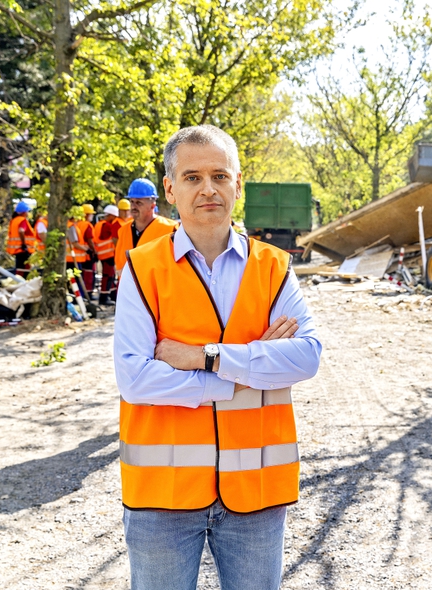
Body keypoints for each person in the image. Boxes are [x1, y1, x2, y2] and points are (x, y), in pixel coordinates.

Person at [113, 125, 322, 590]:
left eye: (219, 176)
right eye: (191, 177)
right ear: (169, 189)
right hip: (161, 497)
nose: (208, 189)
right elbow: (135, 378)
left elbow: (306, 357)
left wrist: (203, 357)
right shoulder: (142, 269)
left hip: (256, 493)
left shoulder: (274, 267)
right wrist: (248, 372)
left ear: (238, 184)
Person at [113, 179, 179, 272]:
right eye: (132, 202)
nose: (133, 207)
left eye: (139, 203)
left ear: (152, 205)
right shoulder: (123, 230)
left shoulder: (170, 229)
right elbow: (119, 265)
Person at [94, 204, 121, 305]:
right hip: (107, 254)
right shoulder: (107, 226)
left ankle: (113, 295)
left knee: (111, 275)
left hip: (104, 254)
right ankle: (104, 298)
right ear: (111, 215)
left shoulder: (100, 224)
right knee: (107, 277)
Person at [6, 201, 36, 277]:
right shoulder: (22, 220)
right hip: (23, 249)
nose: (27, 213)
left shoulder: (14, 221)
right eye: (27, 212)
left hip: (17, 249)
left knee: (19, 269)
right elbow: (21, 231)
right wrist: (23, 244)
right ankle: (23, 285)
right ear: (23, 212)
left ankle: (19, 283)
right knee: (25, 270)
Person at [79, 204, 99, 297]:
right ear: (86, 214)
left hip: (81, 254)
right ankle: (88, 293)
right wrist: (94, 251)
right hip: (88, 253)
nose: (92, 216)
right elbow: (89, 239)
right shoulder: (87, 225)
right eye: (90, 214)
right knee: (89, 274)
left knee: (83, 274)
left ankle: (83, 293)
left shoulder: (77, 224)